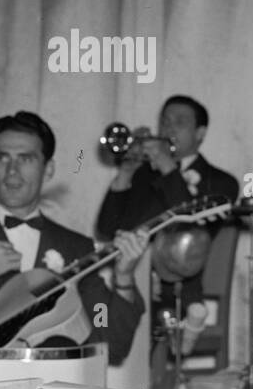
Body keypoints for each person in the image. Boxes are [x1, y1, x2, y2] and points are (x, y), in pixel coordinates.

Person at [0, 111, 145, 365]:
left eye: (25, 159)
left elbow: (110, 343)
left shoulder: (77, 248)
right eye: (2, 158)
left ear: (48, 169)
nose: (12, 171)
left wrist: (124, 279)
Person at [96, 96, 238, 343]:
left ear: (200, 133)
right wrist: (126, 171)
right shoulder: (143, 175)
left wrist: (165, 165)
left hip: (176, 290)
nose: (168, 128)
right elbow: (107, 229)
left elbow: (189, 228)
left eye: (179, 122)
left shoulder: (221, 182)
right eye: (165, 121)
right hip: (127, 281)